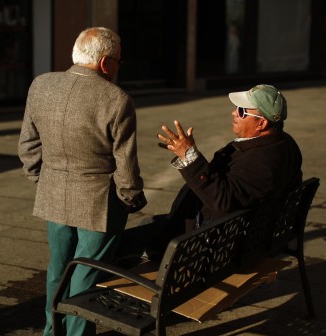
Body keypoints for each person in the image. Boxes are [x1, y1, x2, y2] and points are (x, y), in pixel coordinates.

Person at [18, 27, 147, 336]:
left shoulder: (41, 85)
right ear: (105, 63)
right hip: (98, 202)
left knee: (58, 269)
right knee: (86, 274)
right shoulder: (116, 100)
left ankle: (53, 334)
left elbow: (27, 146)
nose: (118, 66)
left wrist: (40, 178)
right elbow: (125, 168)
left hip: (53, 194)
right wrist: (130, 199)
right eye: (118, 60)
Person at [119, 84, 302, 262]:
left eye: (241, 111)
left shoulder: (263, 163)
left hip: (206, 245)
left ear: (262, 123)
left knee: (115, 245)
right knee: (148, 223)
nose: (234, 113)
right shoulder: (283, 144)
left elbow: (222, 200)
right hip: (232, 233)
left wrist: (189, 157)